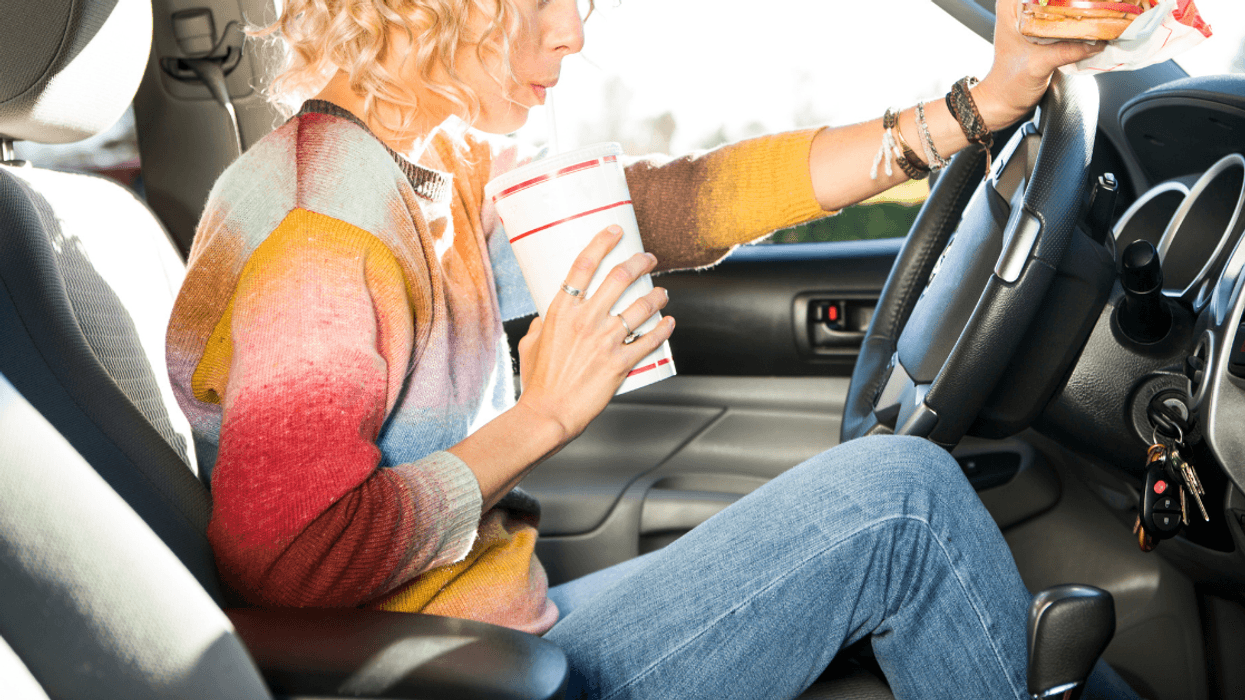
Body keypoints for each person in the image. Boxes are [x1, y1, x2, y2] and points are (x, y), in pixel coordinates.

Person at [165, 0, 1137, 697]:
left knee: (901, 503)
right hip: (464, 669)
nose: (575, 32)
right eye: (540, 1)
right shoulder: (320, 231)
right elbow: (289, 555)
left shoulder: (428, 163)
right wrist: (540, 416)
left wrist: (979, 107)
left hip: (501, 625)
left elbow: (683, 203)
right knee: (906, 504)